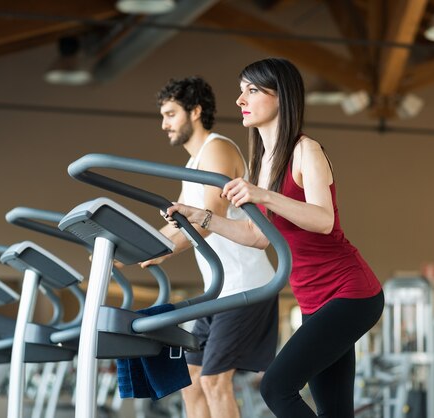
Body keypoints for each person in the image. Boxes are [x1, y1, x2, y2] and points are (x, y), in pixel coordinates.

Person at [162, 58, 385, 417]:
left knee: (277, 388)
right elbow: (256, 236)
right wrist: (200, 217)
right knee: (334, 411)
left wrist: (263, 195)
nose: (240, 100)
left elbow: (323, 219)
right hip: (313, 300)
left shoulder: (305, 150)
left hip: (351, 293)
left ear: (280, 97)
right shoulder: (265, 162)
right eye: (240, 91)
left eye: (251, 90)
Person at [142, 76, 279, 418]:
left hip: (246, 284)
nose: (164, 125)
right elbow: (178, 227)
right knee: (190, 378)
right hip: (219, 290)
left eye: (171, 114)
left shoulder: (217, 148)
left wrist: (158, 249)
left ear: (195, 111)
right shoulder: (191, 166)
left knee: (215, 381)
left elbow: (208, 218)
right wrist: (130, 251)